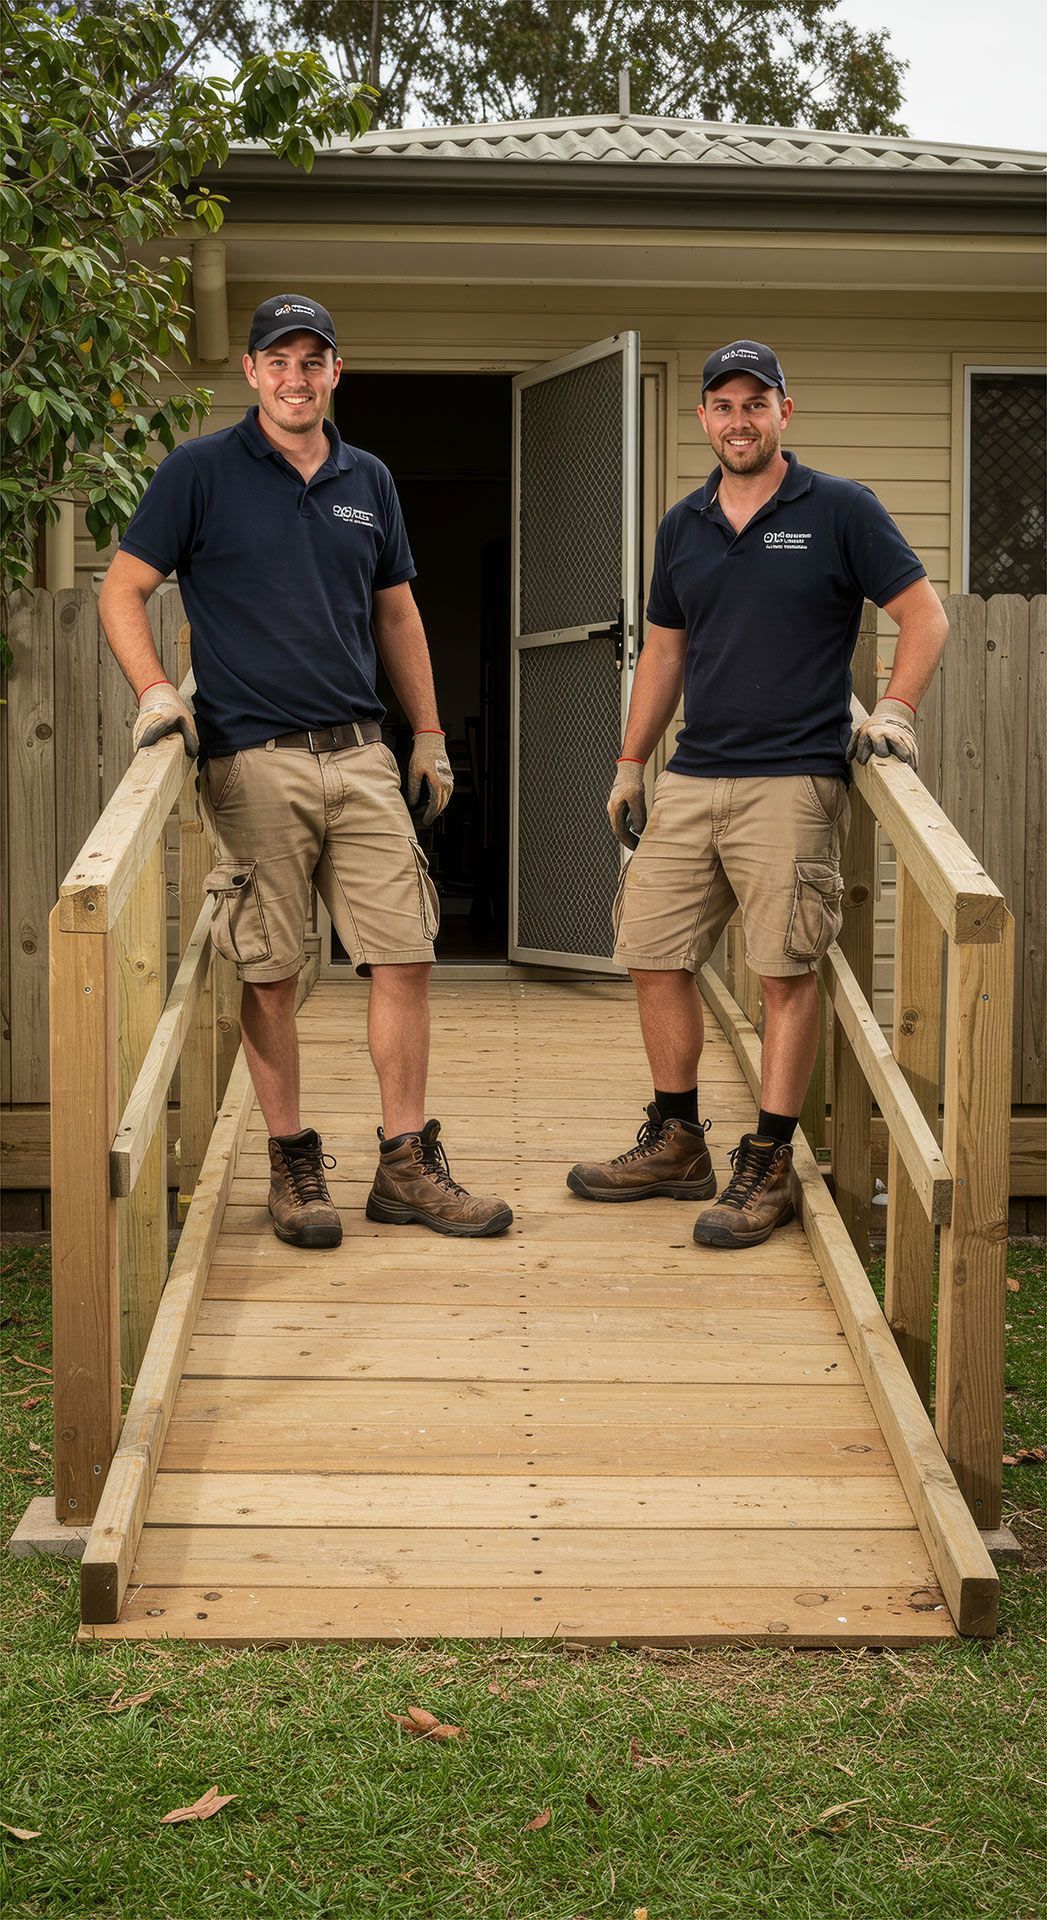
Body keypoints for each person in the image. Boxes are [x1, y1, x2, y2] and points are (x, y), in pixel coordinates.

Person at [98, 293, 512, 1249]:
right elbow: (125, 589)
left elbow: (396, 612)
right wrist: (159, 690)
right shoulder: (200, 471)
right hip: (253, 764)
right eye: (277, 361)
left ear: (337, 371)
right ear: (249, 373)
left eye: (312, 361)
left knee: (405, 949)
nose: (295, 376)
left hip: (361, 752)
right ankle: (291, 1163)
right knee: (274, 969)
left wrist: (427, 732)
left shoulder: (367, 477)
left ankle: (405, 1164)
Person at [567, 338, 947, 1249]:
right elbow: (664, 650)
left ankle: (768, 1161)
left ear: (784, 412)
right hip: (695, 773)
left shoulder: (840, 509)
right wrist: (630, 761)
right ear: (702, 419)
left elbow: (922, 615)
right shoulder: (683, 523)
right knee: (651, 951)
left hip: (792, 778)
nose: (739, 420)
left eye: (755, 403)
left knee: (783, 969)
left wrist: (892, 710)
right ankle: (675, 1140)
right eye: (723, 405)